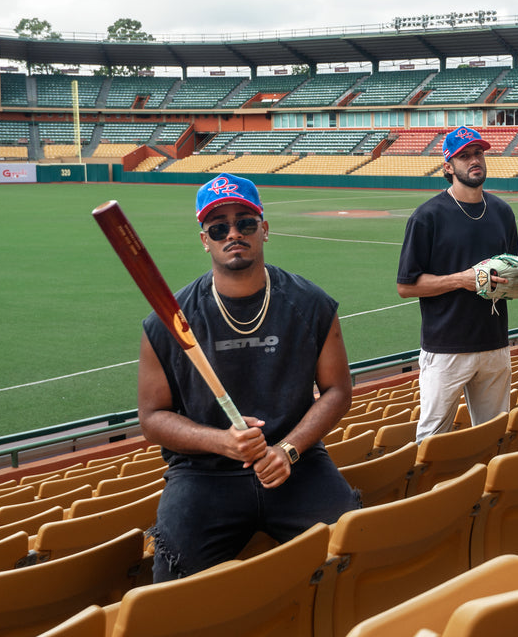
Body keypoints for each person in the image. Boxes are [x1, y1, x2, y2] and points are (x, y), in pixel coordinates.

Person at [139, 172, 359, 582]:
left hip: (297, 465)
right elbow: (152, 418)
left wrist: (288, 449)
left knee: (357, 552)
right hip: (203, 474)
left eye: (245, 222)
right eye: (219, 227)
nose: (233, 233)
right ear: (205, 239)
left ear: (264, 229)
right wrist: (220, 441)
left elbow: (337, 391)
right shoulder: (169, 321)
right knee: (172, 587)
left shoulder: (310, 304)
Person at [397, 126, 518, 441]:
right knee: (432, 437)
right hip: (446, 348)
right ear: (448, 167)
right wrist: (462, 280)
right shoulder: (427, 217)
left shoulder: (503, 212)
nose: (474, 160)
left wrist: (512, 282)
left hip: (495, 343)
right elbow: (406, 286)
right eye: (463, 156)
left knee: (495, 435)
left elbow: (512, 273)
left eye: (478, 153)